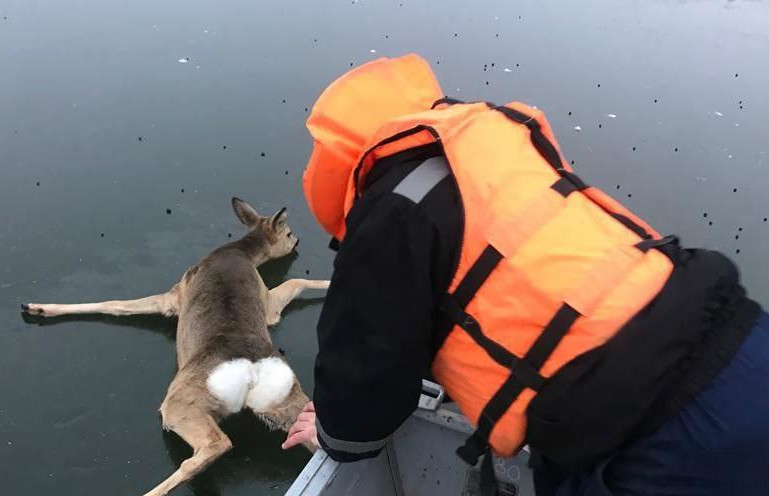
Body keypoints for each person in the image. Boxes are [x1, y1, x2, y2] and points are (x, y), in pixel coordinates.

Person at [280, 54, 769, 495]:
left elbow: (365, 380)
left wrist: (331, 432)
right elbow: (510, 296)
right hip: (741, 340)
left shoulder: (392, 207)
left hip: (660, 439)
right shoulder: (499, 147)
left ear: (345, 168)